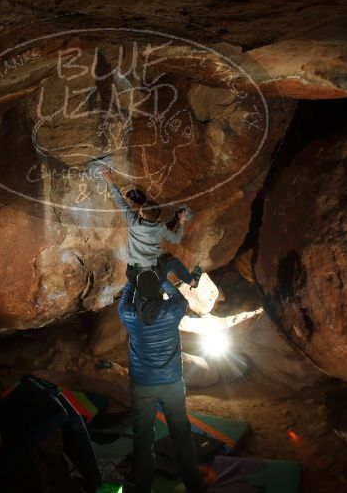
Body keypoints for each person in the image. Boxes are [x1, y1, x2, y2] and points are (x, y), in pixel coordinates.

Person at [118, 270, 204, 493]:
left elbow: (122, 304)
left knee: (143, 437)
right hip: (172, 382)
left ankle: (144, 486)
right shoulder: (171, 312)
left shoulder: (130, 316)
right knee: (181, 434)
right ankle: (194, 485)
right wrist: (163, 279)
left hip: (143, 386)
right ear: (157, 292)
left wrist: (130, 283)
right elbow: (181, 299)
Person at [101, 168, 201, 287]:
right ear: (158, 217)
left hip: (133, 273)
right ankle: (193, 282)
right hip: (151, 273)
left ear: (141, 213)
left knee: (156, 264)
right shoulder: (161, 227)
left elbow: (120, 202)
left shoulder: (133, 221)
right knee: (173, 262)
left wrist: (109, 180)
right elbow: (176, 239)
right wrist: (181, 221)